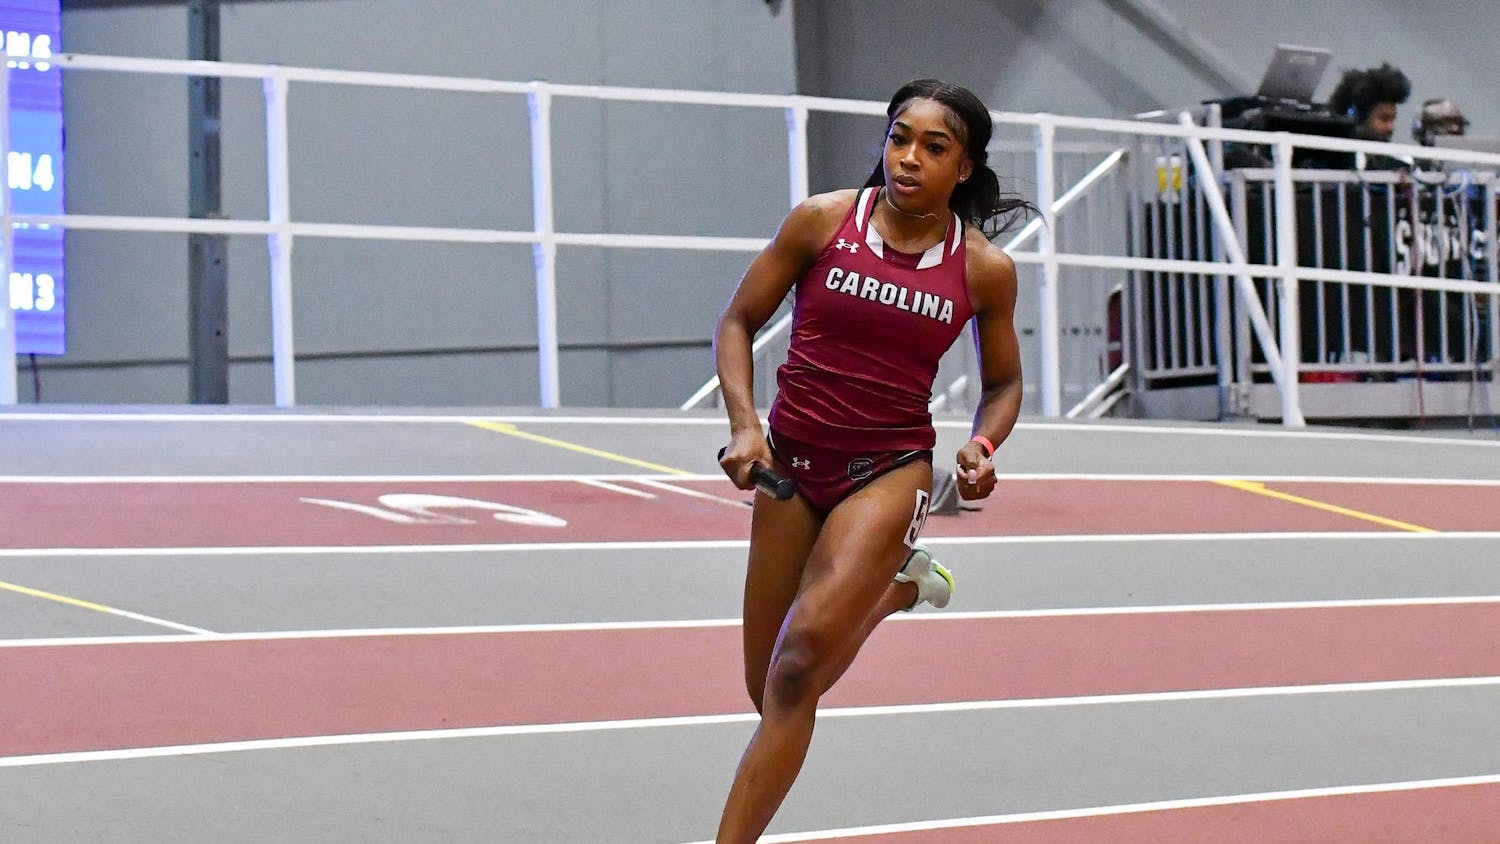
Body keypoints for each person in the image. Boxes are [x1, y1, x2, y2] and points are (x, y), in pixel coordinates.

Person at [710, 78, 1029, 843]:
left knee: (796, 672)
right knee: (771, 691)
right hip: (791, 464)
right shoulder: (823, 221)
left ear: (965, 167)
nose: (908, 158)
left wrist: (983, 447)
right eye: (898, 138)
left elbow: (1006, 383)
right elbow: (738, 321)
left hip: (885, 472)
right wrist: (746, 427)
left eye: (933, 147)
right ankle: (898, 592)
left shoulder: (982, 268)